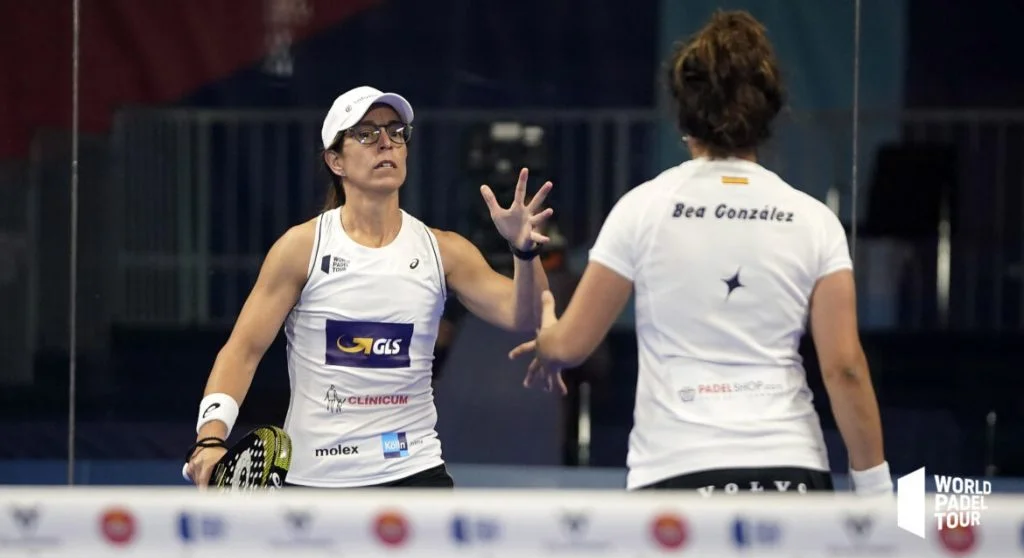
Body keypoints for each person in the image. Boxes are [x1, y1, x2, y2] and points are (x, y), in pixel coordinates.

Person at [510, 10, 892, 496]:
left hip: (677, 475)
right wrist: (878, 494)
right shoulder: (813, 220)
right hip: (792, 473)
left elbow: (569, 347)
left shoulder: (642, 208)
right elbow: (845, 368)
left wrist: (546, 334)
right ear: (767, 113)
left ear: (685, 113)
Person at [184, 85, 564, 490]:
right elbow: (243, 350)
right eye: (366, 133)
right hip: (315, 480)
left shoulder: (444, 250)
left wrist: (523, 252)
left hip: (412, 470)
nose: (386, 141)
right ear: (335, 160)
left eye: (396, 131)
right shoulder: (301, 248)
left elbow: (525, 315)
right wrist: (210, 437)